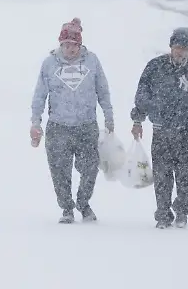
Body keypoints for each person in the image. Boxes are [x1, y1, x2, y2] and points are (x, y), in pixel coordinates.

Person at [30, 18, 115, 224]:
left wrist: (109, 115)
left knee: (90, 167)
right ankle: (67, 208)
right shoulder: (49, 64)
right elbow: (39, 95)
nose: (71, 49)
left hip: (86, 125)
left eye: (74, 45)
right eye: (66, 44)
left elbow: (102, 89)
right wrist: (36, 122)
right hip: (58, 127)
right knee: (59, 170)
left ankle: (83, 203)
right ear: (60, 44)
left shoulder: (92, 61)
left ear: (80, 44)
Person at [129, 26, 188, 229]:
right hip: (160, 131)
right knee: (162, 175)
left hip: (186, 131)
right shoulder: (155, 67)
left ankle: (182, 211)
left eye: (185, 48)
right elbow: (142, 96)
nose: (180, 52)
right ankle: (163, 214)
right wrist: (138, 120)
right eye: (177, 47)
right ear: (171, 46)